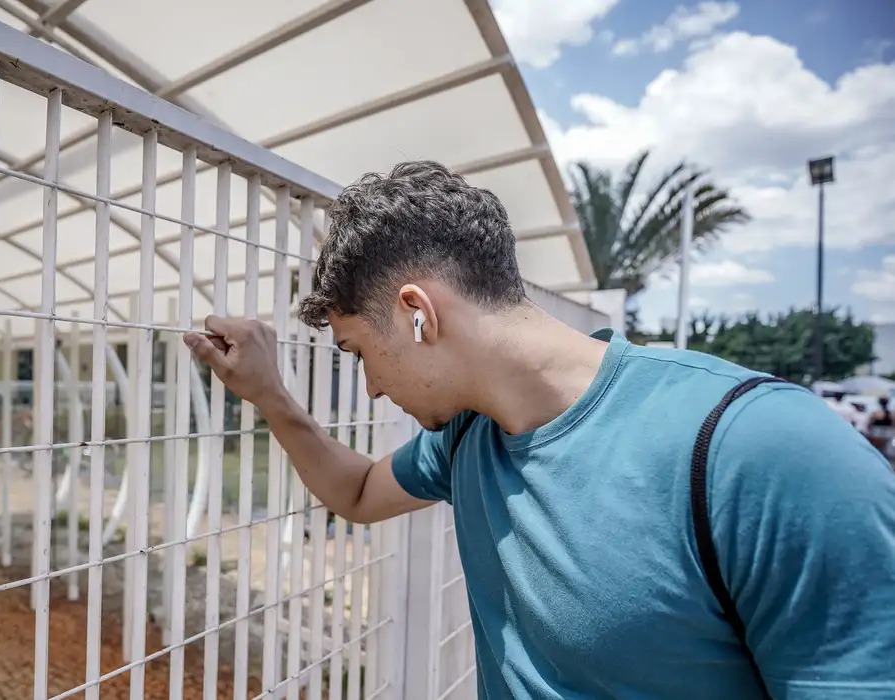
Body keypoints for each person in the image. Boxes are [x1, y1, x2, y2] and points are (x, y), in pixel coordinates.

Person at [183, 161, 895, 699]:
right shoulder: (469, 436)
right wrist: (270, 394)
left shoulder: (761, 449)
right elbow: (361, 492)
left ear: (417, 313)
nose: (371, 384)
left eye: (361, 353)